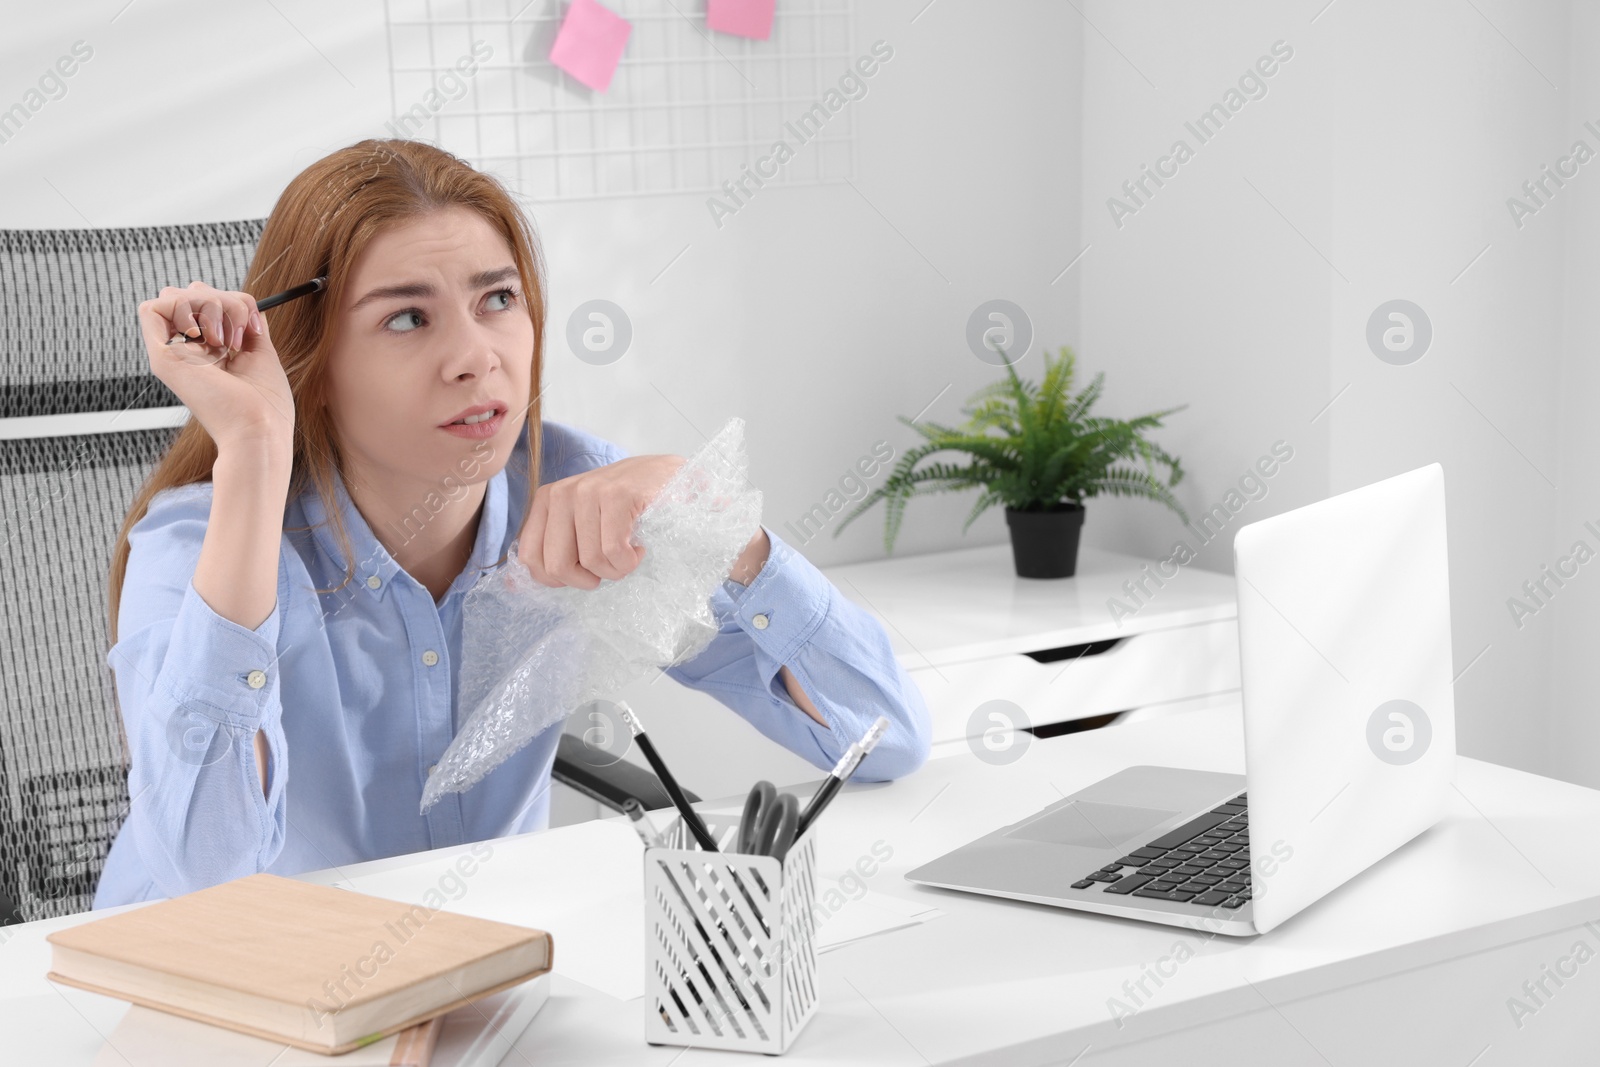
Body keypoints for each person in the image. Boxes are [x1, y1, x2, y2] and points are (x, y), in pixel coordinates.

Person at [93, 139, 931, 909]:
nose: (476, 357)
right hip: (210, 1005)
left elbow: (886, 737)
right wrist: (253, 447)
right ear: (313, 361)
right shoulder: (198, 543)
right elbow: (208, 872)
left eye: (498, 299)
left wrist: (722, 530)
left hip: (479, 986)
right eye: (408, 317)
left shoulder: (575, 493)